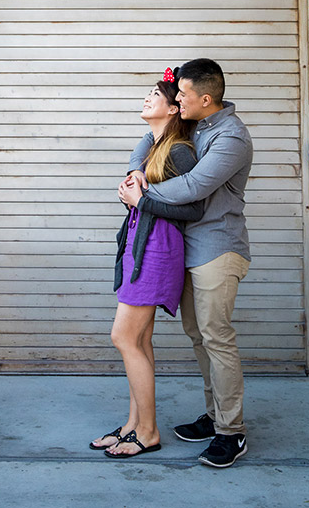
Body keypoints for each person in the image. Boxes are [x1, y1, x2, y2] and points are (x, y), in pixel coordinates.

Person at [118, 58, 252, 469]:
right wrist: (135, 172)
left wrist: (144, 196)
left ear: (205, 99)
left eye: (184, 95)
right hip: (186, 247)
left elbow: (195, 186)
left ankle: (232, 432)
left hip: (216, 247)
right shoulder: (197, 122)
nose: (177, 100)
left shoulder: (231, 137)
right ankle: (214, 417)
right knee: (199, 337)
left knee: (217, 338)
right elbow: (149, 139)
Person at [90, 68, 205, 460]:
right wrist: (131, 190)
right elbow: (145, 192)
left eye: (155, 94)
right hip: (142, 243)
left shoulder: (178, 151)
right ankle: (132, 425)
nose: (146, 98)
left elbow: (194, 206)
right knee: (138, 340)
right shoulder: (154, 147)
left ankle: (149, 431)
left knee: (123, 337)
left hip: (158, 248)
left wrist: (142, 200)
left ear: (174, 108)